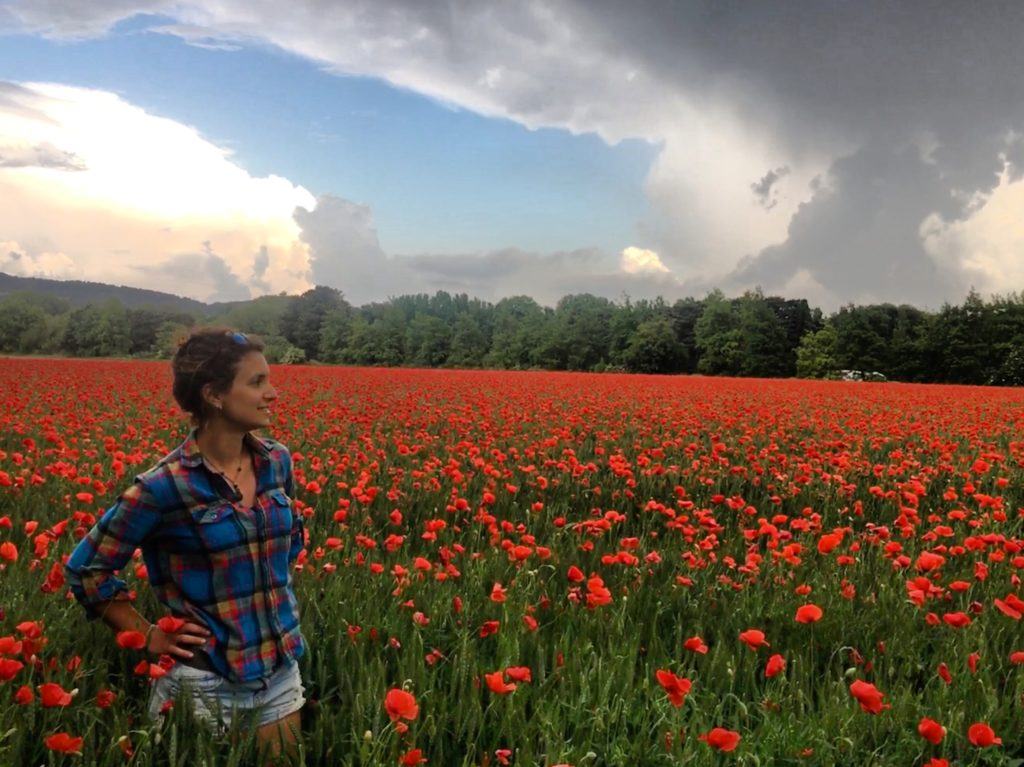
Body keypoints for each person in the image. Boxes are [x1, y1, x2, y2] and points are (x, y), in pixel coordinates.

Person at [64, 327, 308, 765]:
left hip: (279, 672)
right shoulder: (163, 487)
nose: (273, 393)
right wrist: (147, 635)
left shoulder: (277, 462)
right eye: (257, 382)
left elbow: (290, 542)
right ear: (214, 395)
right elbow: (87, 570)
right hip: (202, 684)